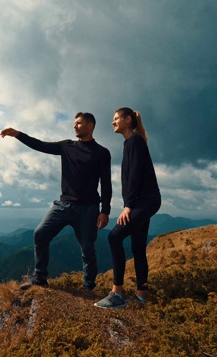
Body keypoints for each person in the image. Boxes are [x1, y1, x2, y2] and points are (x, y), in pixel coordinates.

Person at [0, 112, 112, 291]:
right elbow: (41, 145)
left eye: (79, 123)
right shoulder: (66, 146)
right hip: (64, 205)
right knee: (40, 233)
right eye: (74, 123)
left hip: (89, 209)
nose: (75, 126)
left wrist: (105, 211)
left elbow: (106, 183)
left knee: (87, 249)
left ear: (90, 126)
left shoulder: (102, 153)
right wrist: (18, 134)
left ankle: (89, 286)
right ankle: (40, 278)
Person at [94, 107, 161, 309]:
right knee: (138, 247)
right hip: (146, 201)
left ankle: (117, 293)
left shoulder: (135, 140)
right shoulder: (132, 141)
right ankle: (141, 297)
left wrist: (128, 206)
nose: (113, 122)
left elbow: (135, 175)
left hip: (143, 201)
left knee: (114, 236)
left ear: (127, 119)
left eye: (116, 118)